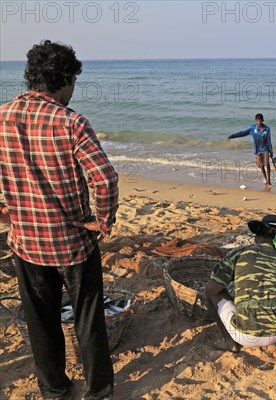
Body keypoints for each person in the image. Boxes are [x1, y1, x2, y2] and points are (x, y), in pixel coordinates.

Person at [0, 40, 119, 399]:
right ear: (65, 79)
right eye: (73, 83)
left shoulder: (2, 117)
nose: (72, 91)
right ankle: (97, 389)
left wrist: (4, 212)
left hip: (26, 242)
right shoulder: (71, 122)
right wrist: (103, 219)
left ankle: (54, 388)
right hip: (73, 244)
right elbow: (105, 178)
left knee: (40, 320)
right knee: (88, 319)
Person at [205, 214, 276, 353]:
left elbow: (213, 288)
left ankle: (230, 343)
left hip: (243, 335)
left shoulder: (240, 253)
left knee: (210, 291)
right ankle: (272, 343)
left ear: (257, 235)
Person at [226, 113, 273, 186]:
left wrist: (271, 151)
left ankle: (269, 180)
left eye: (260, 120)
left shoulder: (267, 129)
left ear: (263, 120)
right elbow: (242, 133)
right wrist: (232, 136)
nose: (259, 122)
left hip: (265, 149)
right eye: (257, 121)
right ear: (255, 121)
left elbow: (269, 141)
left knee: (267, 163)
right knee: (261, 166)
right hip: (257, 150)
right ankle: (265, 178)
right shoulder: (252, 128)